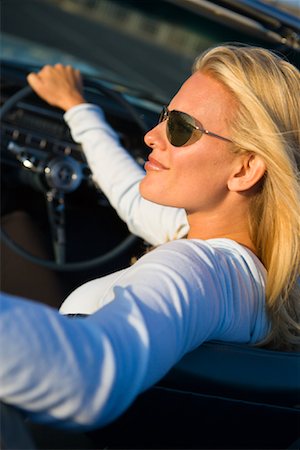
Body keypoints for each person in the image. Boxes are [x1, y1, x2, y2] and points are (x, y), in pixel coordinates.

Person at [0, 44, 299, 430]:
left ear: (245, 170)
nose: (150, 136)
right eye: (164, 116)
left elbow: (88, 378)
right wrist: (78, 107)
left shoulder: (202, 269)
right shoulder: (244, 273)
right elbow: (130, 196)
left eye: (181, 128)